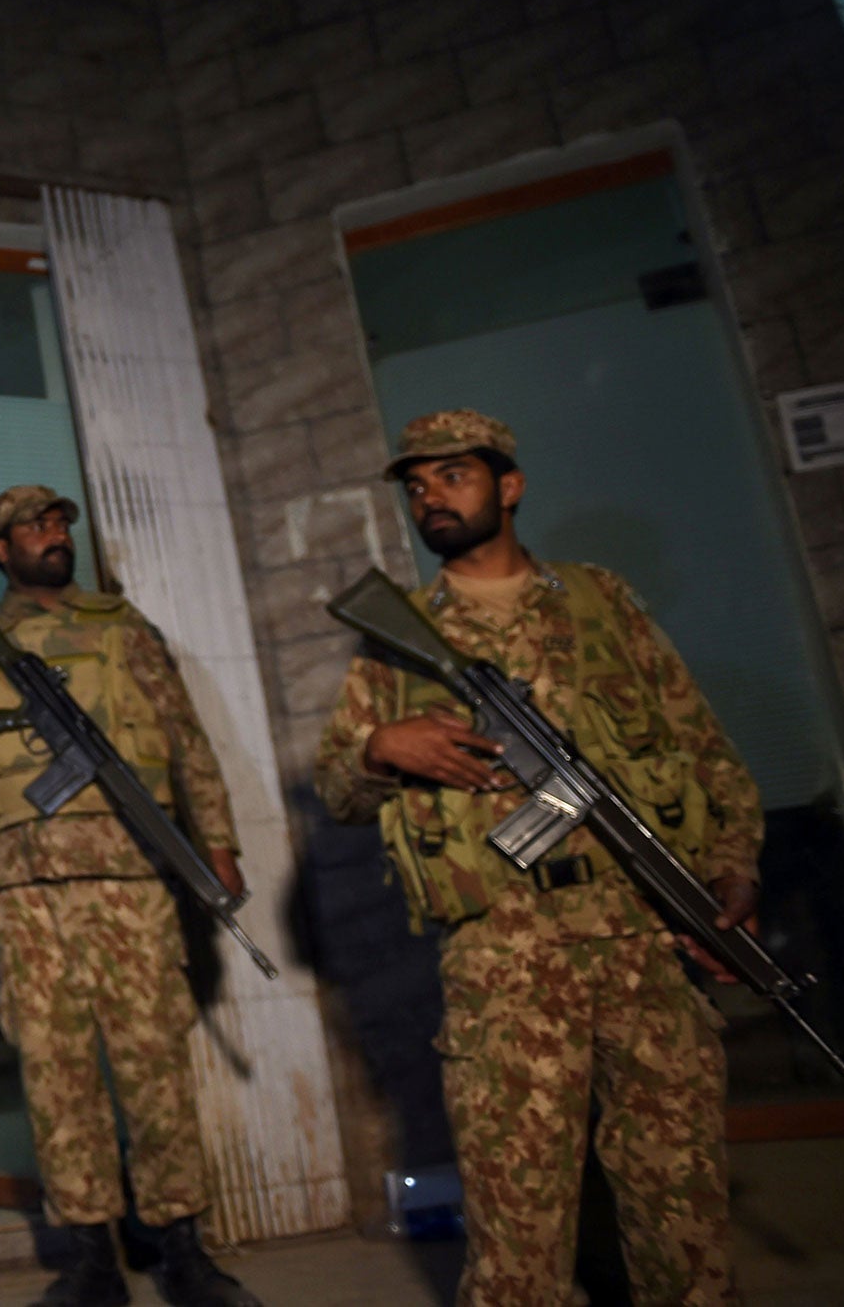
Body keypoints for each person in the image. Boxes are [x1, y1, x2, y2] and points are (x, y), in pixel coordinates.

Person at [314, 409, 762, 1306]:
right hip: (507, 960)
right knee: (520, 1240)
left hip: (647, 945)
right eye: (416, 486)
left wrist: (733, 872)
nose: (431, 498)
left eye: (454, 476)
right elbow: (336, 785)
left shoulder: (602, 601)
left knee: (684, 1218)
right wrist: (379, 748)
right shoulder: (398, 635)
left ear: (509, 486)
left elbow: (704, 750)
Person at [0, 485, 263, 1307]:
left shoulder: (125, 630)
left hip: (131, 879)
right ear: (1, 551)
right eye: (29, 529)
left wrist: (217, 840)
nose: (48, 536)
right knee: (56, 1074)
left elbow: (185, 738)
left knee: (154, 1067)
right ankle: (89, 1259)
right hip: (25, 888)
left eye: (57, 524)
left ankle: (183, 1248)